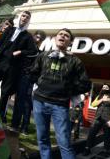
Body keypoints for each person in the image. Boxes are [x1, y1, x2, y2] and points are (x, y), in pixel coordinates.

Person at [29, 28, 92, 159]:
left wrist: (67, 90)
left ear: (70, 42)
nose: (63, 36)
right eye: (60, 34)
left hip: (59, 105)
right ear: (55, 38)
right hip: (39, 102)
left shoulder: (75, 61)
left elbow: (85, 83)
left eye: (66, 35)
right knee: (42, 138)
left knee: (64, 142)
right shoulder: (43, 55)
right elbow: (33, 73)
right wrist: (40, 84)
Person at [0, 11, 38, 123]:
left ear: (28, 20)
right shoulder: (10, 30)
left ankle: (0, 116)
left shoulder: (28, 36)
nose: (24, 18)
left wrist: (20, 51)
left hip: (13, 67)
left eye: (27, 17)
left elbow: (33, 51)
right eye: (23, 16)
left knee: (5, 92)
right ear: (20, 17)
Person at [11, 30, 46, 134]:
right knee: (20, 101)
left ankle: (24, 126)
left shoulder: (39, 53)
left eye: (39, 38)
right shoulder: (27, 49)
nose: (36, 39)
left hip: (30, 80)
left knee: (27, 103)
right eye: (36, 36)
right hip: (22, 76)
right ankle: (16, 124)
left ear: (41, 40)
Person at [84, 83, 110, 154]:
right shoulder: (99, 96)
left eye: (106, 87)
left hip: (107, 119)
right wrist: (102, 99)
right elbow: (93, 104)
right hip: (97, 118)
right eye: (103, 87)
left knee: (107, 135)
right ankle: (87, 148)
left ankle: (106, 150)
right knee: (91, 133)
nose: (104, 88)